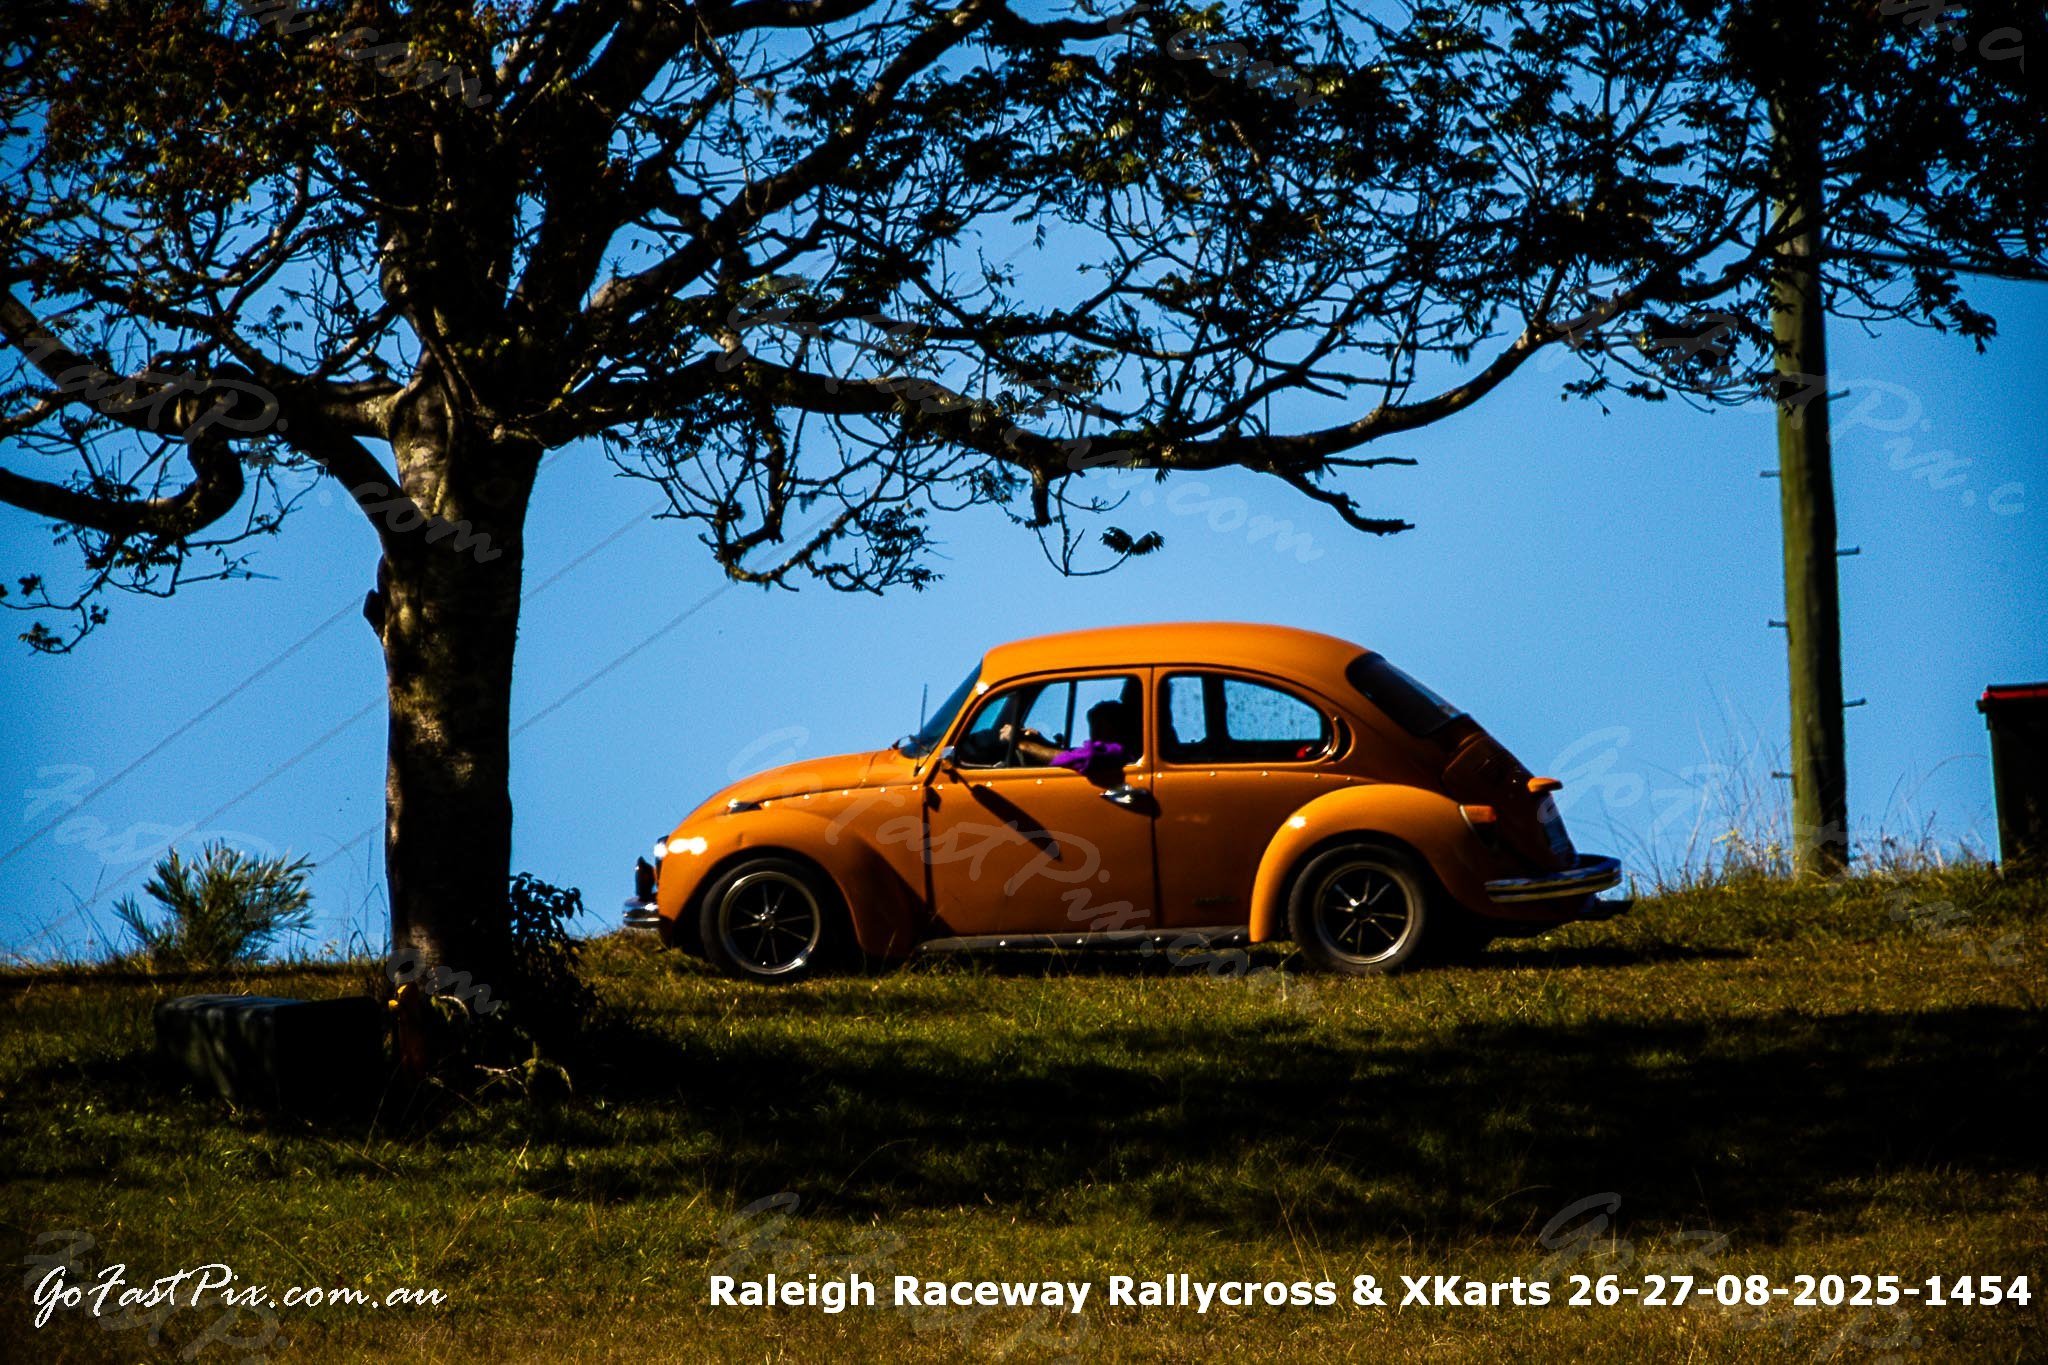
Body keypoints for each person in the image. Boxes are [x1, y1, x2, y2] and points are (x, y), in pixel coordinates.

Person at [1001, 700, 1135, 779]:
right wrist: (1041, 742)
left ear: (1117, 726)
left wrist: (1022, 744)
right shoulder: (1113, 752)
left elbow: (1079, 758)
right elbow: (1073, 753)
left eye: (1101, 725)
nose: (1095, 731)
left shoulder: (1116, 751)